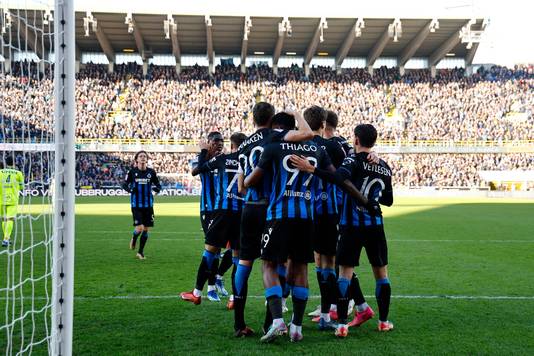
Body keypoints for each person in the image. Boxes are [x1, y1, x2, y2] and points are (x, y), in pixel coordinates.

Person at [290, 124, 393, 337]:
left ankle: (342, 325)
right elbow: (388, 200)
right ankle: (383, 322)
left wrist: (312, 169)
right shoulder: (384, 166)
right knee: (381, 275)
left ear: (356, 139)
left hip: (351, 225)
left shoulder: (352, 161)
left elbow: (339, 178)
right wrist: (372, 198)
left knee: (344, 274)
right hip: (375, 226)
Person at [232, 102, 313, 338]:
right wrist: (296, 113)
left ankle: (239, 323)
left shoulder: (244, 145)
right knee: (278, 264)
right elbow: (307, 134)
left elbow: (241, 185)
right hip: (271, 209)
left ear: (253, 119)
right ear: (271, 119)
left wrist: (247, 185)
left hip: (249, 208)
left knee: (244, 264)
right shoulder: (275, 136)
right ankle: (273, 321)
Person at [180, 132, 247, 307]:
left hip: (221, 212)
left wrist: (203, 151)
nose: (219, 144)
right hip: (240, 213)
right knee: (237, 257)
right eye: (216, 142)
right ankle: (233, 297)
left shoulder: (221, 159)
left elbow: (198, 169)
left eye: (222, 142)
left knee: (210, 251)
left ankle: (198, 292)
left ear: (231, 144)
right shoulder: (248, 161)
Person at [122, 150, 162, 260]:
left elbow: (158, 185)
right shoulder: (132, 172)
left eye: (145, 156)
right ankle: (134, 237)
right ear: (137, 159)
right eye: (141, 156)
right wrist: (130, 190)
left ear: (147, 159)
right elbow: (125, 184)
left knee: (146, 230)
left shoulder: (151, 172)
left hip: (148, 205)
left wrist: (156, 189)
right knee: (139, 228)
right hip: (136, 205)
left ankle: (140, 252)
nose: (143, 158)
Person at [0, 156, 24, 247]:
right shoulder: (18, 173)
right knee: (10, 219)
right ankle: (6, 239)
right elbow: (22, 187)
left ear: (6, 163)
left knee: (3, 219)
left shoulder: (0, 172)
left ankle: (7, 238)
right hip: (13, 199)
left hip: (1, 199)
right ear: (14, 163)